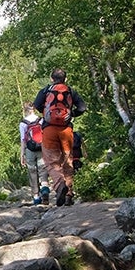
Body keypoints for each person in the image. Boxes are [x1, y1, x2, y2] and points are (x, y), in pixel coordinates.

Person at [33, 68, 86, 206]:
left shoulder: (46, 90)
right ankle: (68, 195)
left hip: (49, 129)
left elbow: (36, 105)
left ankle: (59, 184)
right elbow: (82, 108)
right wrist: (71, 114)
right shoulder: (71, 91)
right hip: (66, 130)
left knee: (52, 162)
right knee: (67, 161)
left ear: (51, 79)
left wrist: (46, 112)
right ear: (65, 79)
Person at [19, 102, 50, 205]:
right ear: (34, 109)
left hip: (30, 150)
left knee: (32, 172)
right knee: (43, 169)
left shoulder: (23, 123)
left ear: (25, 110)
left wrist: (22, 155)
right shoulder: (40, 120)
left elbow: (23, 140)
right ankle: (44, 189)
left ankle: (36, 196)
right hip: (41, 147)